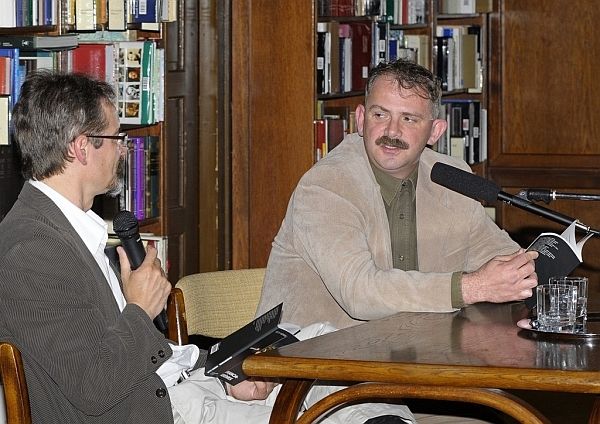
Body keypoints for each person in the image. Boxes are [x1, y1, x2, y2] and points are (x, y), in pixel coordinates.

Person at [0, 70, 416, 424]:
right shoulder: (31, 251)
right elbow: (94, 386)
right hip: (157, 410)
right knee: (320, 411)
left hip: (175, 382)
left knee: (319, 341)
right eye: (115, 137)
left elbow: (133, 354)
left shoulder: (71, 228)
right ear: (80, 147)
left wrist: (226, 371)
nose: (123, 149)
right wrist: (140, 309)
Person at [257, 58, 538, 330]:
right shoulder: (325, 186)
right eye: (380, 115)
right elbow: (359, 293)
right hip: (312, 355)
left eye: (409, 119)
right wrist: (473, 287)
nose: (392, 131)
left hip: (415, 349)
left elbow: (500, 257)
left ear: (435, 132)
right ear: (360, 119)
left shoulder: (451, 178)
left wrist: (527, 278)